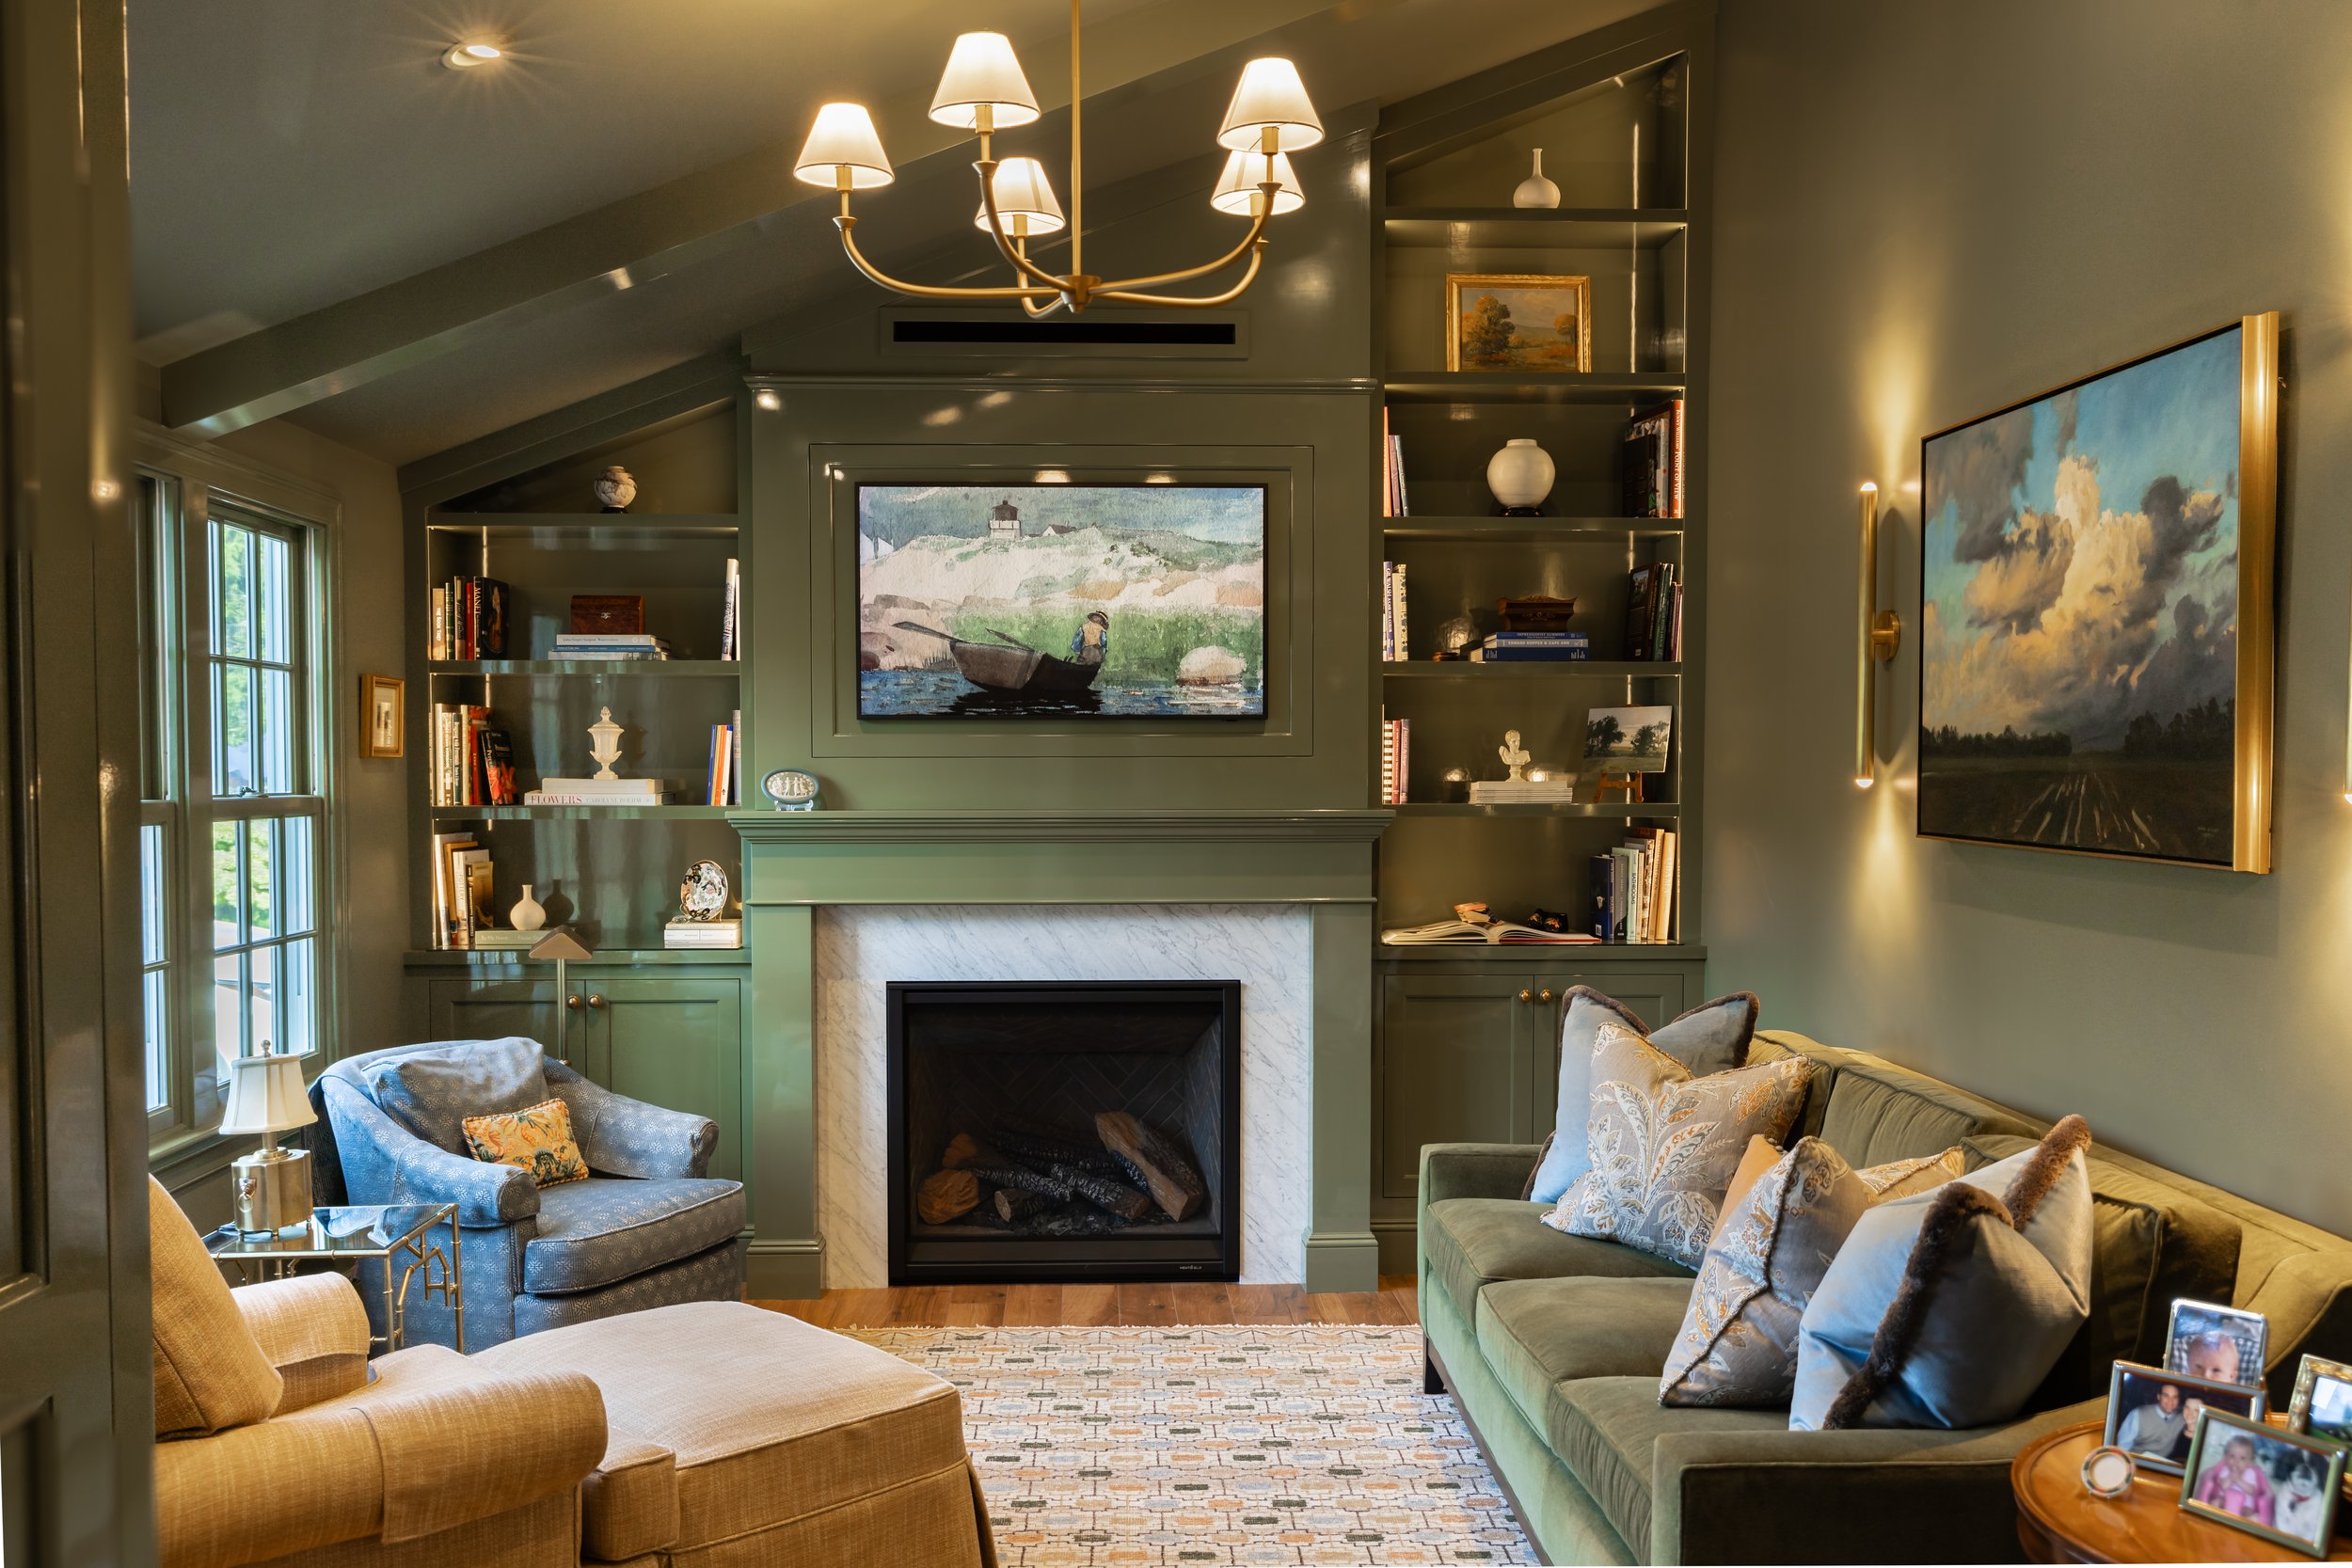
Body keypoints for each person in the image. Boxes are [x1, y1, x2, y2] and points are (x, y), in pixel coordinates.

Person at [2194, 1433, 2275, 1525]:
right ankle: (2209, 1517)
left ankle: (2248, 1521)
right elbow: (2224, 1486)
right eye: (2232, 1456)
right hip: (2224, 1499)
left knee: (2250, 1513)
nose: (2237, 1461)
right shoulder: (2225, 1469)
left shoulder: (2251, 1473)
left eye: (2242, 1458)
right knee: (2216, 1502)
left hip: (2245, 1505)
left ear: (2249, 1463)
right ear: (2226, 1457)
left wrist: (2238, 1480)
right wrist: (2231, 1477)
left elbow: (2252, 1490)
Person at [2117, 1382, 2186, 1457]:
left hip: (2163, 1464)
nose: (2170, 1401)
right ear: (2158, 1396)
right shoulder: (2139, 1414)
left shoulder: (2183, 1418)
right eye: (2166, 1395)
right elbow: (2121, 1447)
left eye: (2175, 1397)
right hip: (2137, 1461)